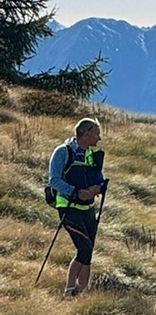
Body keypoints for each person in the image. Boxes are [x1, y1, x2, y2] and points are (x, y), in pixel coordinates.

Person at [46, 118, 106, 296]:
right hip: (69, 208)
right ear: (86, 133)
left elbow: (100, 180)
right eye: (96, 133)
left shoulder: (90, 155)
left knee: (88, 251)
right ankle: (70, 289)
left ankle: (81, 292)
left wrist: (98, 188)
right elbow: (54, 180)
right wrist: (76, 192)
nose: (99, 138)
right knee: (84, 247)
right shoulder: (62, 152)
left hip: (87, 209)